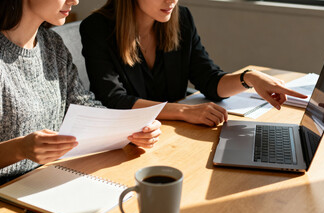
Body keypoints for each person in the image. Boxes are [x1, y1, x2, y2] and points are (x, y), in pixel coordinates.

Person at [0, 0, 161, 202]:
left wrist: (133, 129)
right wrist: (21, 148)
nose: (75, 1)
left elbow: (85, 105)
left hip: (49, 180)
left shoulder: (52, 45)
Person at [80, 0, 307, 127]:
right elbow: (112, 101)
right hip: (130, 139)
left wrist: (249, 78)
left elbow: (209, 80)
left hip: (173, 134)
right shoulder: (97, 28)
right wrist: (184, 111)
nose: (171, 1)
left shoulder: (182, 19)